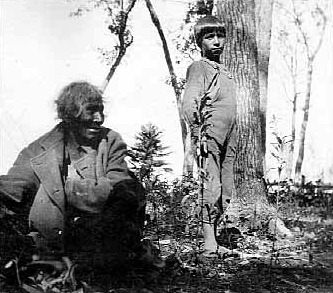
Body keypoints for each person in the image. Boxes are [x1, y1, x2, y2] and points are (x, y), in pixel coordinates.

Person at [0, 81, 162, 281]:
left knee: (129, 188)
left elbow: (114, 187)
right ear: (71, 114)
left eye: (101, 111)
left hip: (104, 240)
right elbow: (14, 186)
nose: (99, 118)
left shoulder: (110, 141)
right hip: (55, 243)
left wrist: (65, 187)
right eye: (91, 111)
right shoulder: (38, 151)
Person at [181, 16, 237, 256]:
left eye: (220, 36)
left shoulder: (226, 71)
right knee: (210, 184)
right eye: (209, 37)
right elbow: (188, 104)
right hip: (209, 134)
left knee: (226, 186)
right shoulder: (198, 68)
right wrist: (198, 133)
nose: (216, 42)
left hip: (230, 135)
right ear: (199, 41)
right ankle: (208, 242)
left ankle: (215, 235)